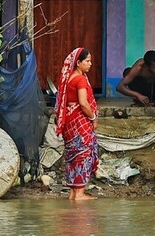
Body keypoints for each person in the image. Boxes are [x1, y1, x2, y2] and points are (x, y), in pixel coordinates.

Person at [55, 47, 99, 200]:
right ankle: (80, 193)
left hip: (69, 122)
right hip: (79, 122)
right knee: (83, 154)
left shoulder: (68, 79)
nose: (90, 64)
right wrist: (93, 118)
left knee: (73, 155)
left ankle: (73, 193)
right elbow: (83, 103)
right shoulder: (80, 79)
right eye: (87, 61)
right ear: (78, 63)